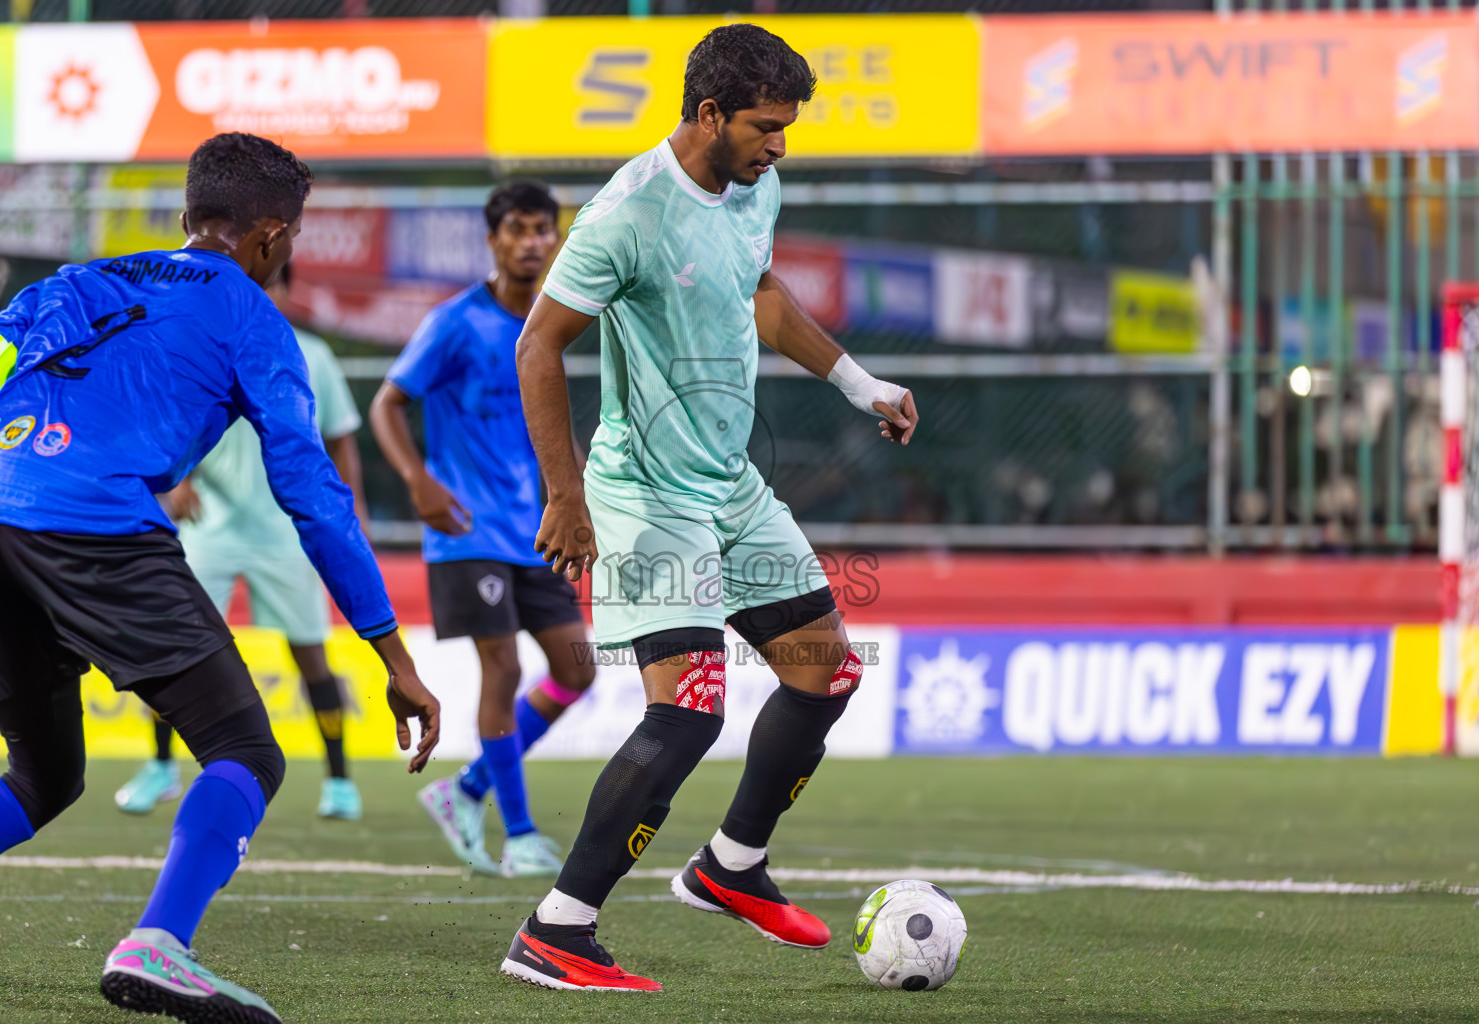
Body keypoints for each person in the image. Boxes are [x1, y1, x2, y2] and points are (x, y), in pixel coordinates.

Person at [0, 132, 440, 1024]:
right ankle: (157, 946)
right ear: (271, 238)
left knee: (44, 776)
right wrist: (388, 648)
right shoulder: (255, 321)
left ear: (185, 217)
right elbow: (313, 490)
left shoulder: (66, 284)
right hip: (92, 523)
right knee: (247, 751)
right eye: (287, 239)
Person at [497, 24, 918, 992]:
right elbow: (538, 346)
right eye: (767, 127)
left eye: (787, 129)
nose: (780, 147)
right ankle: (558, 929)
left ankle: (731, 864)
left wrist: (861, 383)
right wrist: (567, 496)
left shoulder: (755, 187)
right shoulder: (627, 213)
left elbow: (761, 296)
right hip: (645, 493)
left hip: (731, 484)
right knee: (687, 706)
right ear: (708, 114)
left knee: (826, 669)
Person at [372, 181, 596, 878]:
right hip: (466, 531)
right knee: (503, 666)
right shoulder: (455, 321)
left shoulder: (554, 325)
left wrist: (579, 502)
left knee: (577, 669)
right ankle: (521, 831)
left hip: (536, 530)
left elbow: (553, 429)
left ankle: (465, 788)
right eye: (520, 229)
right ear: (493, 239)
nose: (534, 242)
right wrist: (418, 480)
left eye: (544, 230)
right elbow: (387, 404)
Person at [116, 262, 370, 822]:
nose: (259, 294)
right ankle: (160, 768)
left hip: (285, 529)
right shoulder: (201, 344)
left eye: (269, 284)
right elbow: (163, 426)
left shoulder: (313, 355)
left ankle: (339, 781)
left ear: (285, 288)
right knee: (170, 646)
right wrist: (176, 481)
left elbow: (340, 438)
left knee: (310, 654)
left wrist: (354, 513)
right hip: (211, 526)